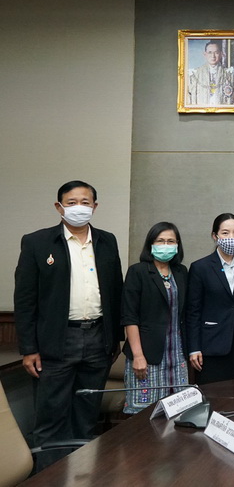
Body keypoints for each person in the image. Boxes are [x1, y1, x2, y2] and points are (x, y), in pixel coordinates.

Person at [14, 180, 123, 469]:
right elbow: (25, 299)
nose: (79, 208)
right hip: (56, 341)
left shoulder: (107, 241)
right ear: (59, 207)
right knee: (51, 418)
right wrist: (28, 348)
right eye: (71, 202)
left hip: (98, 339)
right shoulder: (37, 242)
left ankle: (82, 476)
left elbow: (116, 290)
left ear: (95, 207)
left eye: (85, 202)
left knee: (86, 416)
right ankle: (49, 477)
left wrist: (115, 338)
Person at [186, 213, 234, 384]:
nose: (231, 237)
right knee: (214, 393)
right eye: (225, 233)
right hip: (212, 343)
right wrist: (194, 348)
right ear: (215, 236)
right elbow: (193, 311)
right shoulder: (200, 267)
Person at [121, 222, 190, 413]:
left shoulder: (181, 272)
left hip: (177, 355)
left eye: (171, 241)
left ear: (177, 245)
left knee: (179, 412)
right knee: (144, 415)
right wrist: (138, 356)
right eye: (160, 241)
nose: (165, 245)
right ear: (150, 244)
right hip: (147, 355)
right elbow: (130, 317)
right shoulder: (138, 271)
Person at [187, 39, 234, 106]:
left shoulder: (230, 74)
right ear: (205, 54)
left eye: (216, 52)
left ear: (221, 54)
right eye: (210, 52)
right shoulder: (194, 75)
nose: (213, 56)